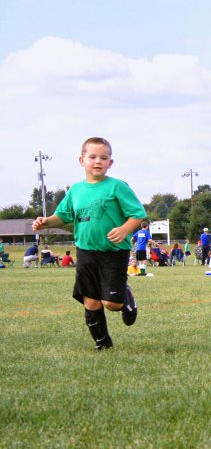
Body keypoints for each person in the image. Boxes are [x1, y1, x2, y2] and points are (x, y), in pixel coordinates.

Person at [32, 137, 146, 350]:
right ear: (81, 160)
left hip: (113, 252)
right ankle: (103, 344)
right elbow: (63, 216)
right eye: (92, 157)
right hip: (86, 252)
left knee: (112, 304)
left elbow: (138, 214)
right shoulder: (75, 190)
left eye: (103, 157)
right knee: (91, 300)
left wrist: (124, 229)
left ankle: (126, 296)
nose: (98, 161)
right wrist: (46, 222)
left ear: (110, 162)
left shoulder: (117, 187)